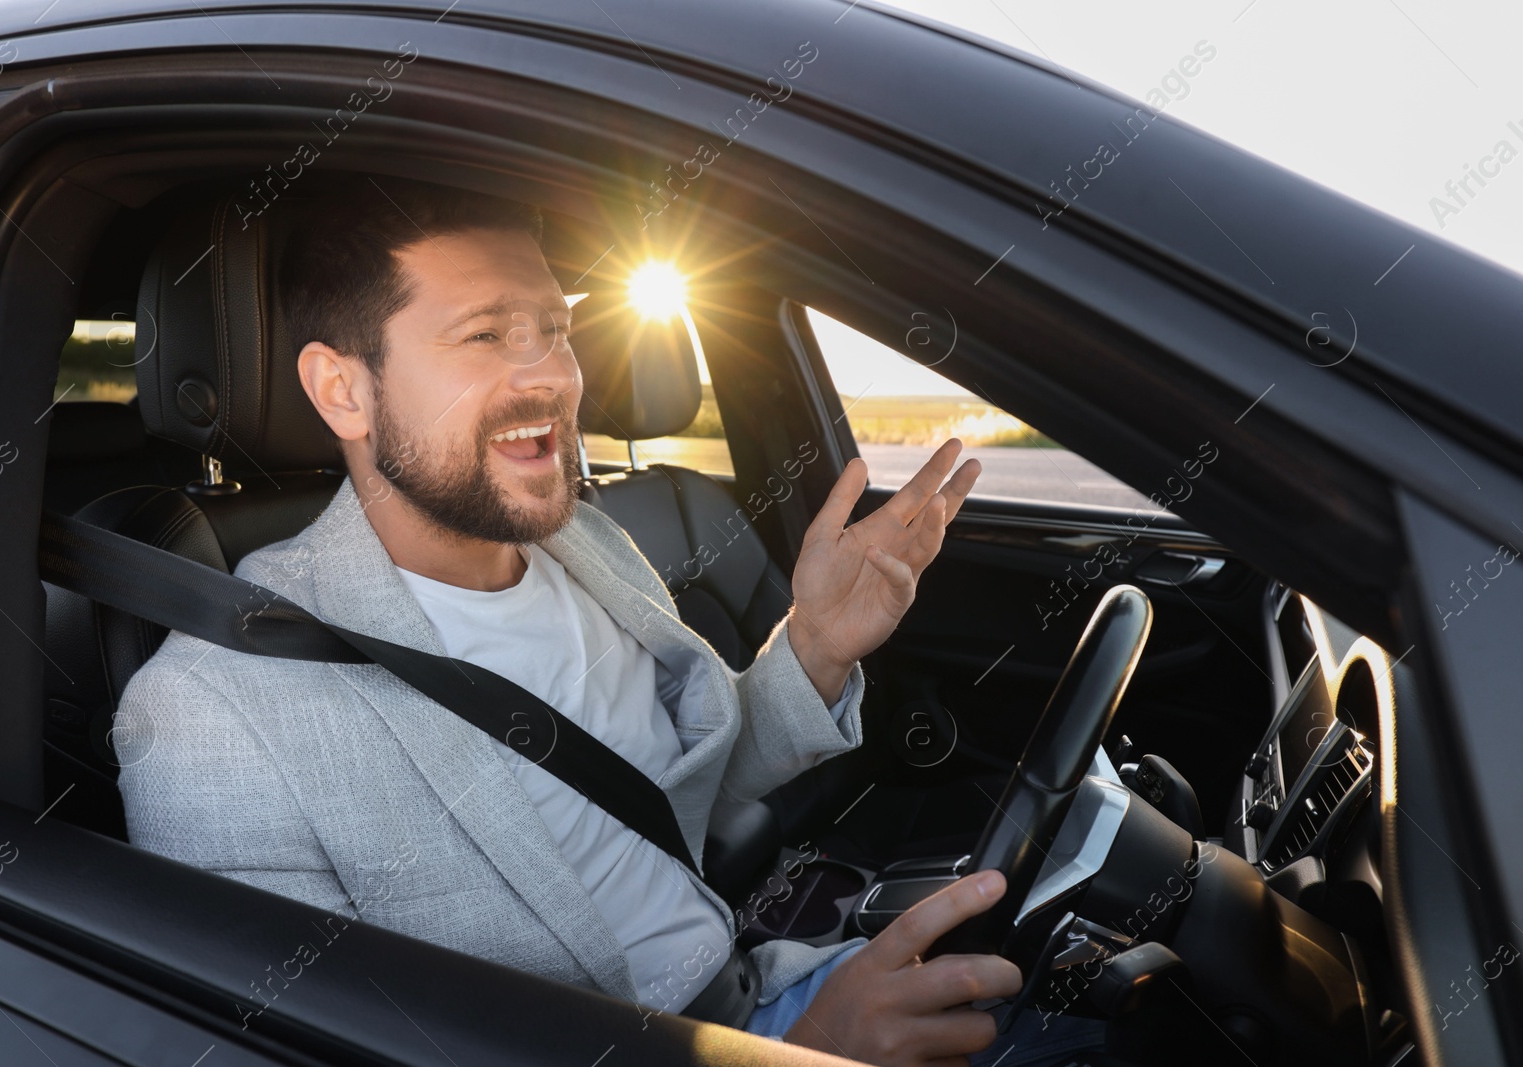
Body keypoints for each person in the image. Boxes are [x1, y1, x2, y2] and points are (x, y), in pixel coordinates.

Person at [115, 177, 1103, 1067]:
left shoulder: (585, 548)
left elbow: (689, 782)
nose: (551, 374)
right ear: (344, 389)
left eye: (555, 327)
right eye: (489, 332)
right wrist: (808, 1052)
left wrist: (812, 643)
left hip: (757, 990)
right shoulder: (213, 712)